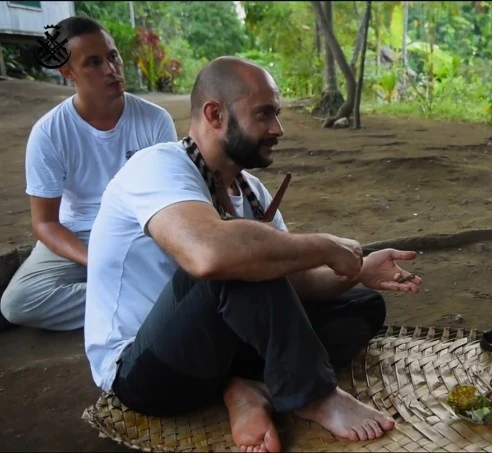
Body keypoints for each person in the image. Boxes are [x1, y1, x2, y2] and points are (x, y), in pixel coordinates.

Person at [84, 56, 423, 452]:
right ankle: (313, 395)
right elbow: (209, 256)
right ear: (215, 114)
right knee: (239, 260)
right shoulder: (157, 166)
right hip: (148, 371)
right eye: (264, 114)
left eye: (276, 114)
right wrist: (327, 246)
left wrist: (359, 271)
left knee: (362, 306)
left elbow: (295, 281)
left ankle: (248, 387)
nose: (277, 129)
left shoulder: (251, 190)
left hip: (219, 352)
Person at [0, 16, 178, 331]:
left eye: (113, 56)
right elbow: (45, 223)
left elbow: (169, 205)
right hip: (79, 236)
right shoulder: (49, 133)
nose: (111, 69)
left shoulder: (155, 121)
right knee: (18, 302)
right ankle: (145, 301)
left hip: (140, 231)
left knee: (192, 264)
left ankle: (133, 301)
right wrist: (96, 261)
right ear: (67, 72)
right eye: (94, 62)